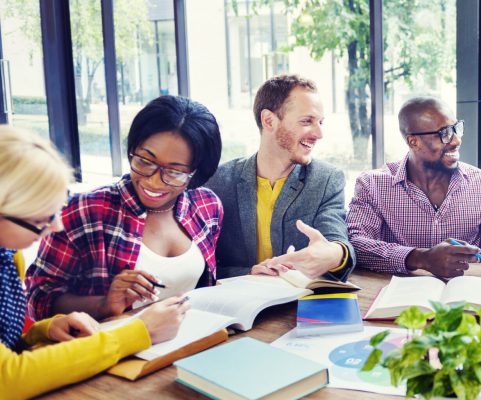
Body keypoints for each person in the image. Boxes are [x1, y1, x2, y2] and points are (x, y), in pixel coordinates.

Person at [0, 126, 189, 399]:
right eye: (40, 219)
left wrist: (45, 330)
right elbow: (8, 379)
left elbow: (8, 340)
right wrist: (139, 332)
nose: (55, 226)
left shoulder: (8, 252)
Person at [26, 95, 223, 321]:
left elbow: (207, 286)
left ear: (196, 173)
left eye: (175, 172)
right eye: (145, 161)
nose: (154, 181)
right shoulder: (85, 210)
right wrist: (104, 304)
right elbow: (38, 300)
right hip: (114, 351)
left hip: (195, 343)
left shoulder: (207, 206)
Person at [206, 74, 355, 280]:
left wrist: (334, 254)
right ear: (269, 120)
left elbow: (337, 241)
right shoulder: (218, 182)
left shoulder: (326, 179)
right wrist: (248, 273)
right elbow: (203, 267)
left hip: (298, 307)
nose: (319, 133)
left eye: (320, 122)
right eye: (307, 121)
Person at [348, 96, 481, 278]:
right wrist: (421, 258)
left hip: (467, 297)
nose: (456, 140)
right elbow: (356, 245)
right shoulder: (372, 185)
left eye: (456, 129)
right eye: (444, 133)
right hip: (400, 298)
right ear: (414, 142)